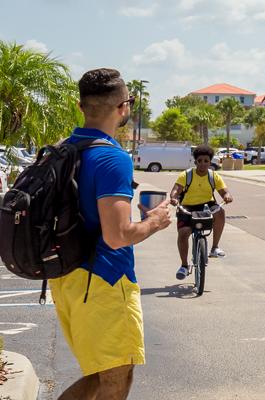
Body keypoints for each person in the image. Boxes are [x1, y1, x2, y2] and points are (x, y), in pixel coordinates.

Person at [52, 68, 176, 400]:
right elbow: (118, 235)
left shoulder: (64, 148)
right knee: (115, 378)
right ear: (124, 107)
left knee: (97, 376)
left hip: (66, 277)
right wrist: (156, 221)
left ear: (81, 107)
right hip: (104, 280)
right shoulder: (111, 158)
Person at [171, 146, 234, 280]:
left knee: (220, 212)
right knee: (183, 234)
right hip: (187, 207)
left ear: (210, 162)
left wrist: (227, 196)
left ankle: (214, 248)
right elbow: (176, 190)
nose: (203, 164)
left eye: (206, 161)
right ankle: (184, 265)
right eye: (200, 161)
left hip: (206, 206)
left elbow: (224, 192)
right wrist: (173, 198)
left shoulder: (213, 176)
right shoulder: (186, 175)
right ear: (195, 162)